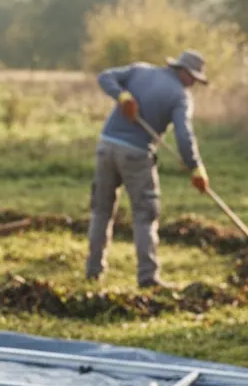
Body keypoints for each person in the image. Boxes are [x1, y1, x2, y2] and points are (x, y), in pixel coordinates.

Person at [87, 50, 210, 288]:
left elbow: (105, 77)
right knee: (145, 215)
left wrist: (122, 95)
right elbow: (184, 135)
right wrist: (195, 167)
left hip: (106, 146)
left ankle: (93, 271)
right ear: (184, 72)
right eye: (194, 78)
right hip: (136, 153)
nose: (194, 83)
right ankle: (148, 277)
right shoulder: (180, 96)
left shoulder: (140, 70)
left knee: (101, 210)